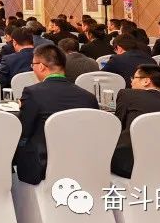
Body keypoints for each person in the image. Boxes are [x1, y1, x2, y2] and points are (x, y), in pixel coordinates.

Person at [14, 44, 98, 184]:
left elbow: (24, 130)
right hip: (81, 162)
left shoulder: (32, 93)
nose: (32, 68)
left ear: (41, 67)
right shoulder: (88, 97)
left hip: (43, 166)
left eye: (33, 65)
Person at [110, 64, 160, 178]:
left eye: (134, 78)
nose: (131, 82)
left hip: (125, 164)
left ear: (146, 81)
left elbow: (117, 127)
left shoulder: (127, 94)